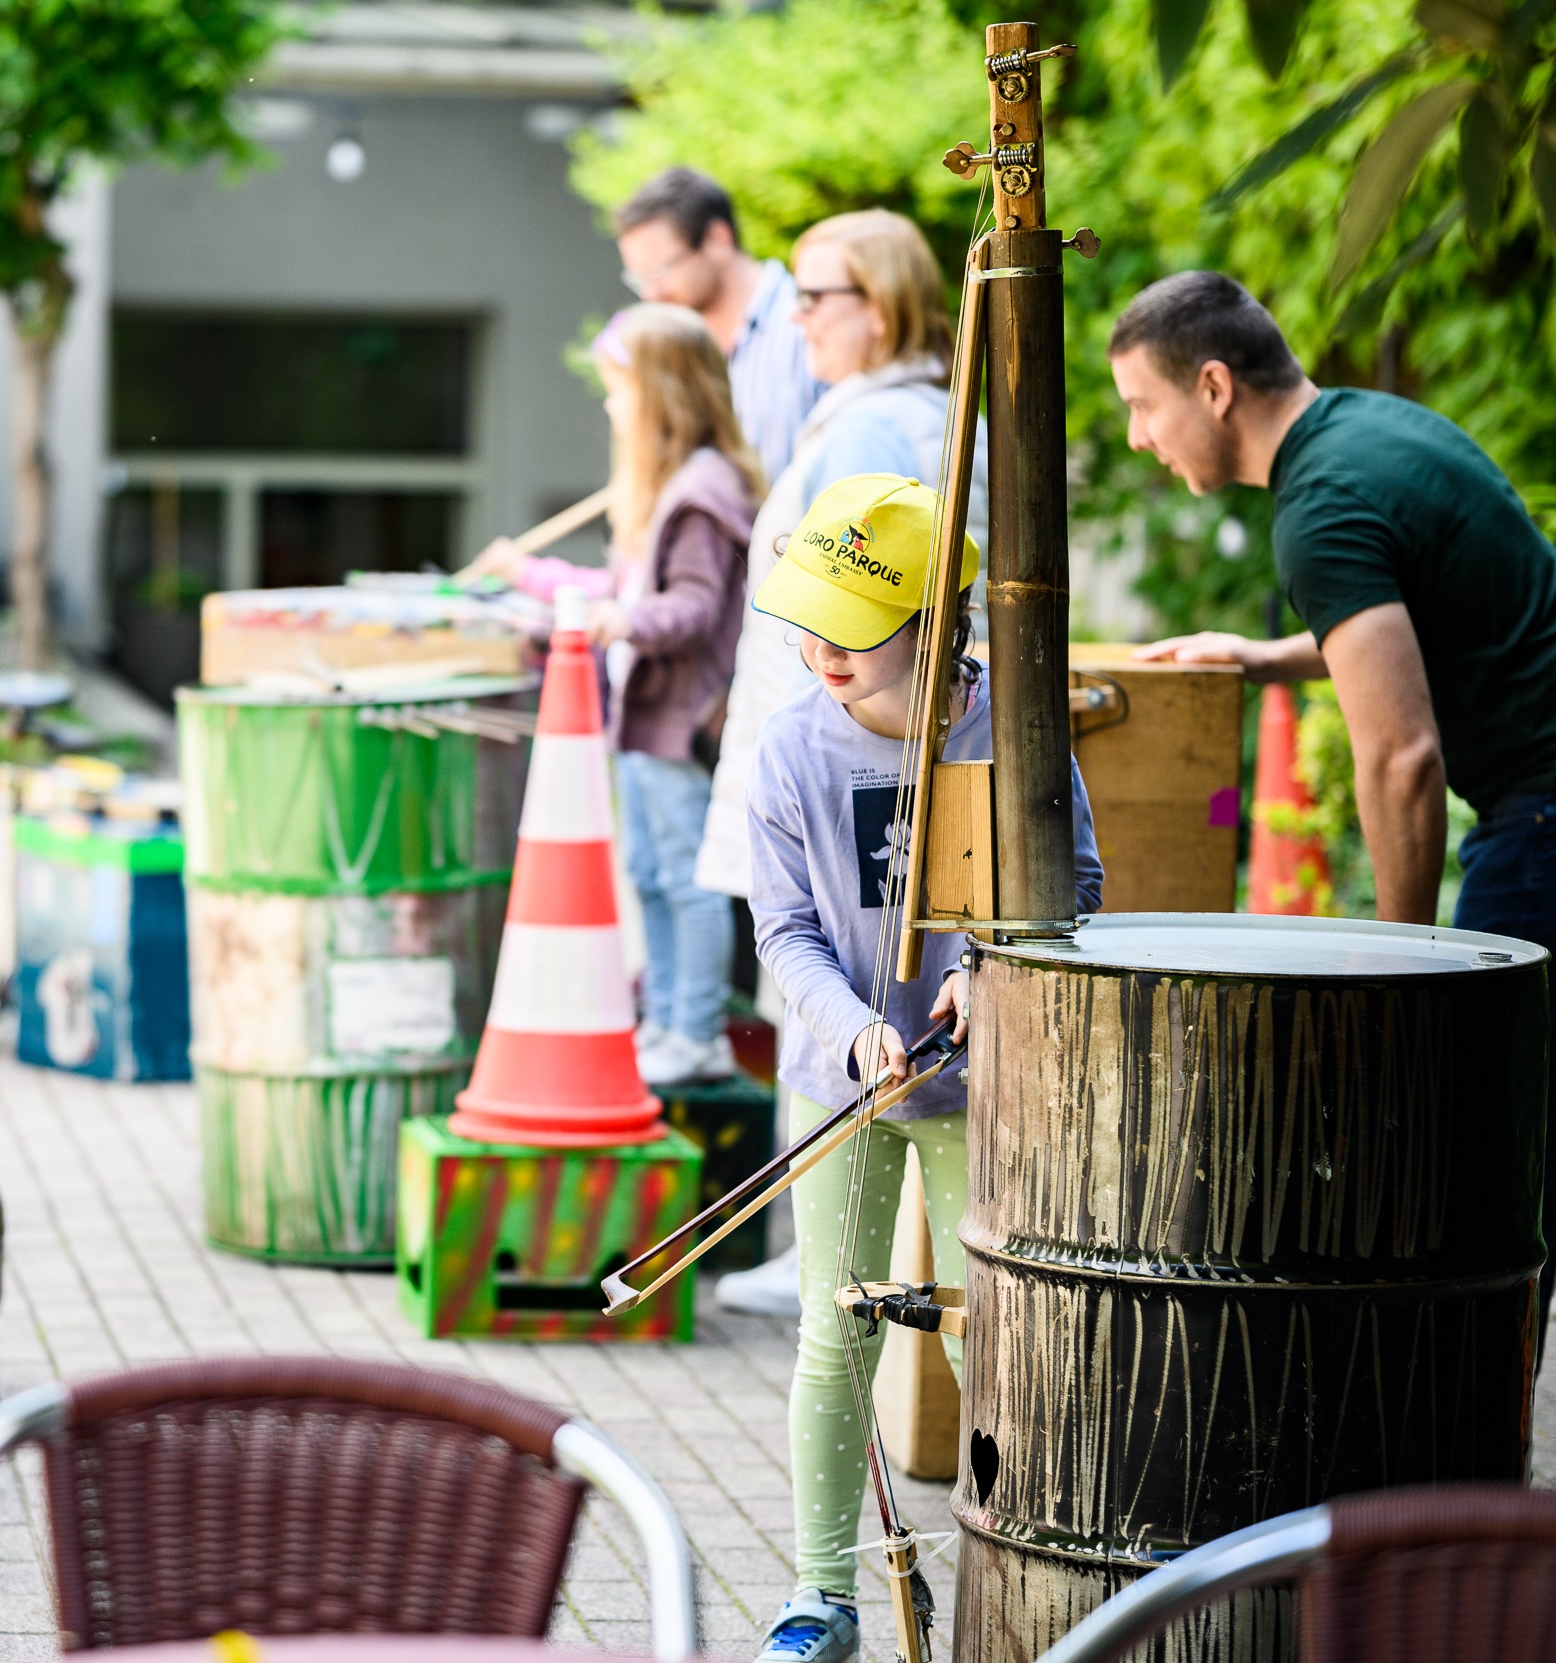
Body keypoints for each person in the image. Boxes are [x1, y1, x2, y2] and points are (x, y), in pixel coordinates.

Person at [1112, 271, 1556, 1351]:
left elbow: (1400, 758)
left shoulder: (1321, 506)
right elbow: (1400, 625)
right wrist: (1264, 658)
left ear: (1211, 386)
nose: (1135, 438)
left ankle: (1481, 1441)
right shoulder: (1367, 431)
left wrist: (1401, 971)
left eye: (1141, 405)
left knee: (1491, 1139)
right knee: (1502, 1128)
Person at [744, 475, 1100, 1663]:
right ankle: (820, 1594)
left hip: (971, 1077)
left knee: (981, 1334)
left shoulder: (1006, 727)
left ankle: (1015, 1579)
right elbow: (784, 928)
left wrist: (984, 969)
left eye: (854, 626)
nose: (820, 650)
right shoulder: (788, 745)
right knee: (830, 1332)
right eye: (808, 618)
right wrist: (852, 1024)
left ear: (935, 622)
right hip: (841, 1070)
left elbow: (1077, 880)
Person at [693, 210, 988, 1318]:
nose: (797, 317)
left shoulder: (873, 440)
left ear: (887, 303)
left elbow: (868, 598)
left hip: (847, 759)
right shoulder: (889, 413)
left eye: (821, 296)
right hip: (821, 759)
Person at [463, 305, 760, 1083]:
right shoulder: (674, 487)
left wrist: (616, 620)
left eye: (618, 388)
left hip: (677, 719)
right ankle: (666, 1021)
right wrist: (537, 579)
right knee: (654, 876)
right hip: (646, 720)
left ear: (662, 390)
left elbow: (691, 608)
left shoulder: (701, 491)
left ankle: (692, 1032)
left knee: (686, 885)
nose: (609, 405)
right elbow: (626, 586)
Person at [614, 167, 820, 483]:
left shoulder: (809, 326)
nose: (649, 294)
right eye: (639, 279)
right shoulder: (678, 347)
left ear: (717, 241)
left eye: (659, 272)